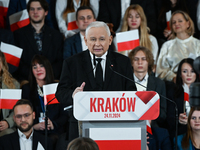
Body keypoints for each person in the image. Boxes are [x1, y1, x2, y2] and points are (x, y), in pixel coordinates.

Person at [56, 21, 137, 142]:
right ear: (85, 40)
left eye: (102, 39)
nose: (97, 44)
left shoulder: (122, 62)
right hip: (81, 126)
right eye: (93, 39)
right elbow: (60, 93)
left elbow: (132, 93)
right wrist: (73, 95)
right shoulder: (72, 63)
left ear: (110, 40)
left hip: (114, 126)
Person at [22, 55, 68, 147]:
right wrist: (33, 126)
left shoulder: (57, 87)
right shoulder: (26, 89)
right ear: (32, 71)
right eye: (35, 67)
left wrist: (53, 124)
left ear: (47, 67)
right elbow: (23, 112)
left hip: (55, 131)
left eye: (41, 66)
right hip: (34, 130)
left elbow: (65, 114)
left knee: (55, 140)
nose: (38, 69)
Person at [13, 0, 63, 81]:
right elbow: (18, 63)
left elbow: (60, 62)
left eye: (39, 9)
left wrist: (46, 75)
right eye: (32, 9)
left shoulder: (56, 36)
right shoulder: (18, 35)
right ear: (28, 12)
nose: (35, 12)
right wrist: (35, 75)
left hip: (51, 81)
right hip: (27, 82)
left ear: (46, 12)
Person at [156, 10, 200, 82]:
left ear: (188, 24)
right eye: (174, 22)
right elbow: (160, 71)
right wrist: (175, 78)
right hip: (174, 85)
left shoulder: (198, 44)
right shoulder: (167, 46)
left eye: (180, 21)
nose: (176, 24)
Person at [128, 46, 166, 127]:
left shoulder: (159, 84)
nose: (140, 62)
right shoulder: (125, 82)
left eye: (143, 59)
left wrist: (150, 119)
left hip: (153, 128)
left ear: (148, 62)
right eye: (136, 59)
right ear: (131, 62)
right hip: (131, 127)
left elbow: (163, 113)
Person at [166, 58, 199, 143]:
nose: (189, 75)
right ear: (180, 74)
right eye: (185, 71)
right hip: (180, 133)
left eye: (192, 71)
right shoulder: (172, 92)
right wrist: (178, 120)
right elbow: (169, 118)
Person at [0, 51, 20, 137]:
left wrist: (8, 122)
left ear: (3, 65)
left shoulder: (13, 84)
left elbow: (17, 109)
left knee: (8, 134)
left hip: (5, 128)